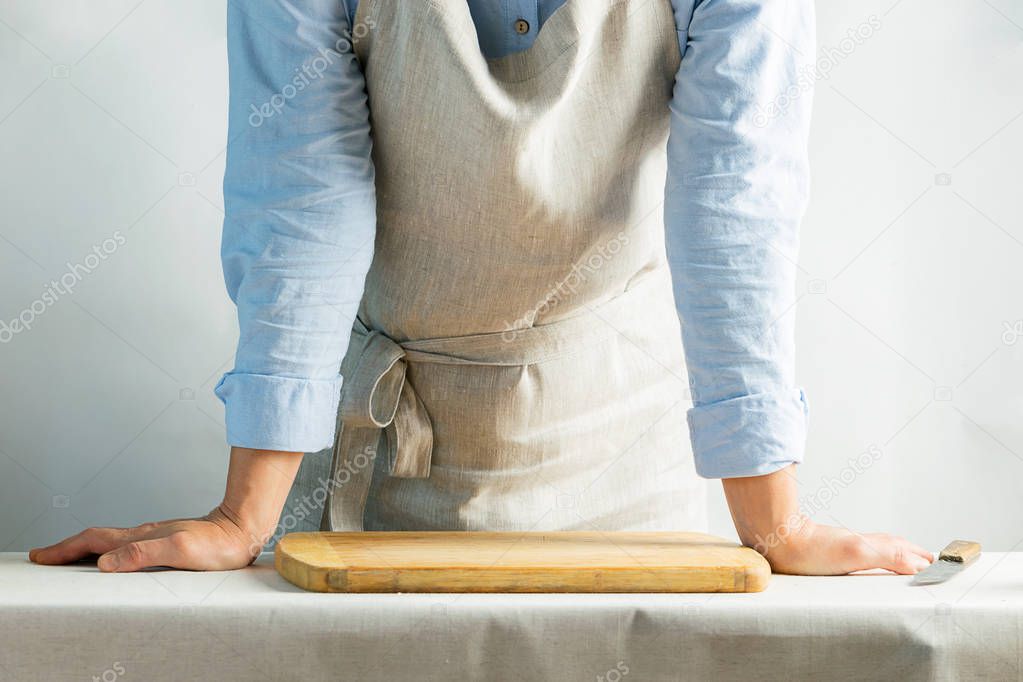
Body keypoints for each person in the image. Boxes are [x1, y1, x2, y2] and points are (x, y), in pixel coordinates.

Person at [30, 0, 933, 575]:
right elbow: (304, 199)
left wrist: (772, 527)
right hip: (379, 467)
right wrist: (242, 517)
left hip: (620, 454)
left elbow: (733, 211)